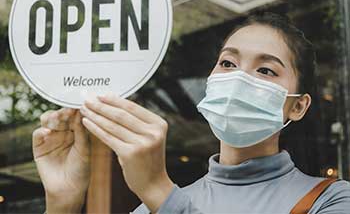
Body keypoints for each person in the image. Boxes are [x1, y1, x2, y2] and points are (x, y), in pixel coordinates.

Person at [32, 12, 350, 214]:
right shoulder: (152, 207)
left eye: (265, 70)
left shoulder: (332, 200)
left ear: (298, 105)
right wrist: (63, 203)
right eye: (228, 63)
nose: (239, 78)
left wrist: (159, 190)